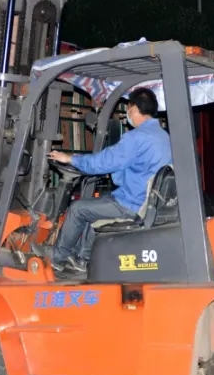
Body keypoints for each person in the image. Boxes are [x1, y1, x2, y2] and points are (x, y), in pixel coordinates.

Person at [47, 87, 171, 275]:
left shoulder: (136, 138)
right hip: (146, 200)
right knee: (95, 204)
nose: (128, 112)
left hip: (132, 203)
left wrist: (71, 159)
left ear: (134, 109)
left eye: (128, 107)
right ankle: (82, 258)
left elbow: (103, 162)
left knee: (77, 209)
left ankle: (56, 259)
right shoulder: (163, 136)